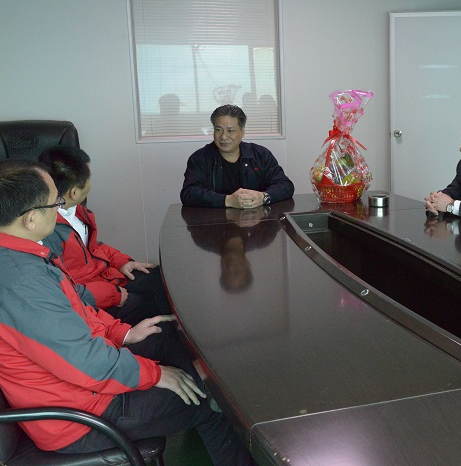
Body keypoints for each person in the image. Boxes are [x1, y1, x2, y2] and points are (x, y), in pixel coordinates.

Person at [0, 159, 252, 465]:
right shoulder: (21, 282)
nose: (60, 208)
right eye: (55, 203)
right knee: (213, 401)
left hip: (85, 388)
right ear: (30, 219)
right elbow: (85, 363)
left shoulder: (25, 254)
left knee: (167, 337)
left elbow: (79, 313)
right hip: (80, 417)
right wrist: (154, 374)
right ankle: (198, 403)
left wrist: (125, 333)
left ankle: (191, 390)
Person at [38, 146, 170, 325]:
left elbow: (93, 247)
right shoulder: (48, 231)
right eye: (88, 179)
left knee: (160, 278)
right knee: (152, 303)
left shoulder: (77, 211)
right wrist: (112, 295)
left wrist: (121, 261)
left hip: (106, 277)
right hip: (93, 299)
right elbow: (65, 289)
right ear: (74, 192)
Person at [181, 104, 294, 209]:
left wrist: (263, 197)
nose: (223, 136)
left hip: (257, 221)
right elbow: (189, 193)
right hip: (215, 222)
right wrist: (228, 200)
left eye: (230, 131)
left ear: (242, 132)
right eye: (218, 130)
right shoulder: (200, 158)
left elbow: (285, 185)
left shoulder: (260, 154)